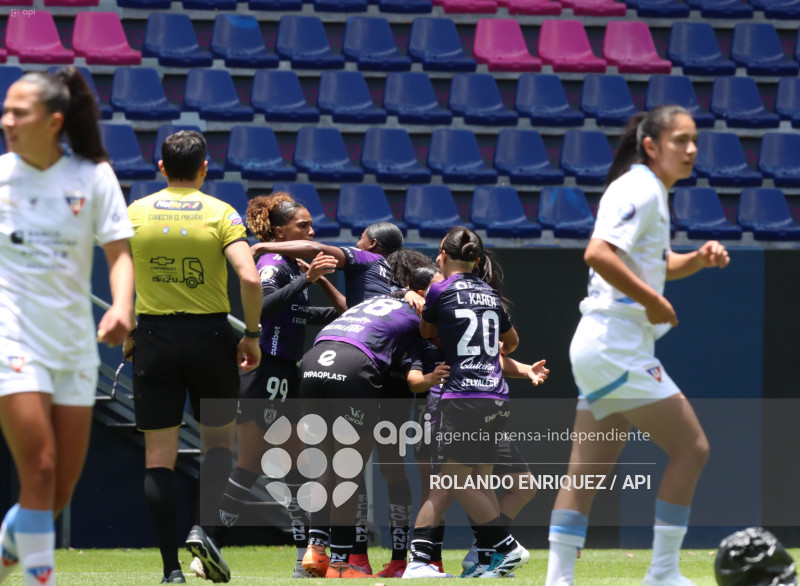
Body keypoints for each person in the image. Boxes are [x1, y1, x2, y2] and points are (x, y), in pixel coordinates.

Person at [544, 106, 730, 586]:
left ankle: (557, 581)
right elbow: (598, 253)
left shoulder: (651, 191)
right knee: (692, 448)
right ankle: (663, 572)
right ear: (651, 145)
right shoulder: (639, 186)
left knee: (585, 475)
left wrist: (698, 260)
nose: (691, 150)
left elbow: (658, 263)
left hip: (603, 346)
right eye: (680, 140)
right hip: (616, 346)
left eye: (695, 141)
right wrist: (654, 301)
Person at [0, 67, 135, 586]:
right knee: (38, 468)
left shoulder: (92, 176)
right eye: (6, 109)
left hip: (76, 349)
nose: (7, 120)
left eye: (19, 112)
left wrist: (123, 305)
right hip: (13, 341)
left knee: (54, 492)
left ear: (54, 121)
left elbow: (120, 255)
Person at [126, 130, 262, 584]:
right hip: (210, 337)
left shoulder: (136, 213)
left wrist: (128, 329)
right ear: (205, 168)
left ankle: (170, 572)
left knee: (158, 458)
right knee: (221, 446)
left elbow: (121, 275)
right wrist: (253, 335)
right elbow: (251, 277)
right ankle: (203, 534)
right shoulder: (221, 212)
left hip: (154, 336)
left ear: (161, 167)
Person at [196, 192, 345, 580]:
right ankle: (208, 542)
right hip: (263, 372)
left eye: (312, 225)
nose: (311, 232)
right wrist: (308, 279)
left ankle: (303, 558)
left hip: (283, 374)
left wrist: (340, 311)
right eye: (302, 225)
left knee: (294, 467)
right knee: (251, 464)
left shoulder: (292, 268)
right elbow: (259, 307)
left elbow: (294, 312)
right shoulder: (271, 262)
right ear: (279, 230)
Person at [251, 220, 404, 572]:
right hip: (385, 371)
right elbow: (350, 309)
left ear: (373, 245)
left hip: (336, 362)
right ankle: (381, 559)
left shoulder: (365, 260)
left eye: (360, 239)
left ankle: (326, 552)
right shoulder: (397, 281)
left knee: (332, 462)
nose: (355, 242)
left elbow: (318, 251)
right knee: (379, 469)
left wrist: (262, 248)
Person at [299, 255, 438, 580]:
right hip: (353, 364)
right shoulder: (422, 310)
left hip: (314, 358)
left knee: (327, 463)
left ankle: (315, 549)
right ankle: (341, 562)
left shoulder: (380, 300)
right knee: (348, 468)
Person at [404, 227, 530, 579]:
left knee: (452, 481)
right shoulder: (490, 293)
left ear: (441, 255)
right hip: (497, 397)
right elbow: (513, 342)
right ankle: (488, 557)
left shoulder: (440, 289)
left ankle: (504, 547)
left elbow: (427, 333)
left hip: (463, 397)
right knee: (472, 480)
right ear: (477, 260)